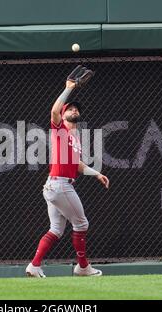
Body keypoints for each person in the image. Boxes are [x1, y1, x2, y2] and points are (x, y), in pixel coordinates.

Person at [25, 76, 110, 278]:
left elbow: (77, 165)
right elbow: (54, 111)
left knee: (56, 230)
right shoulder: (60, 130)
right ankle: (83, 267)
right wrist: (68, 89)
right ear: (63, 116)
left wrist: (97, 174)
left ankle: (34, 266)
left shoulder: (75, 138)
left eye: (76, 109)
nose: (74, 111)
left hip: (53, 186)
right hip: (60, 185)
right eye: (70, 109)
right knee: (82, 224)